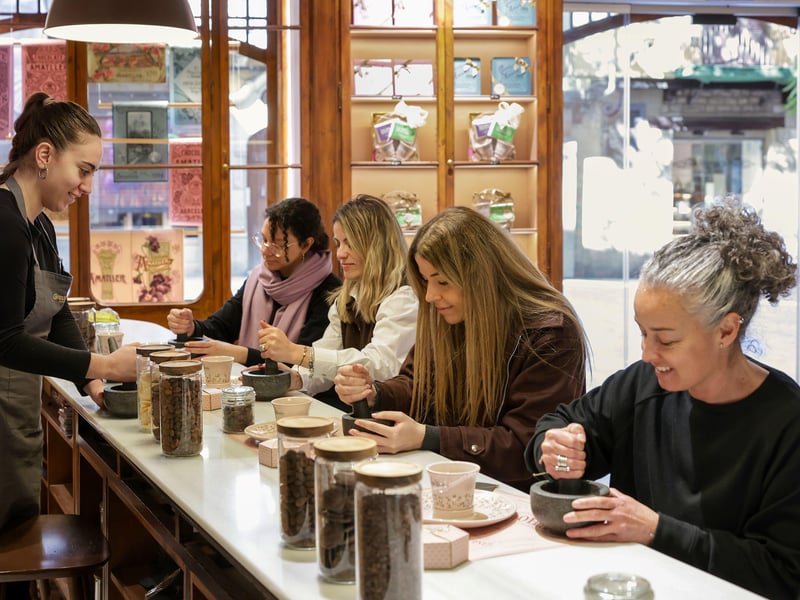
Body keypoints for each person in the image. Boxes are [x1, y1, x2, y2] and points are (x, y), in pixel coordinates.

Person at [525, 199, 800, 599]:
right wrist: (556, 451)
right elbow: (561, 425)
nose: (647, 354)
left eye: (666, 340)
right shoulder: (644, 385)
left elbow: (783, 573)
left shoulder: (787, 423)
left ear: (726, 331)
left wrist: (656, 530)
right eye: (643, 333)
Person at [334, 207, 588, 491]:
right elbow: (418, 384)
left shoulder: (550, 334)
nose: (430, 296)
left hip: (518, 495)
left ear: (482, 275)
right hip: (451, 480)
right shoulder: (448, 316)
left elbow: (526, 445)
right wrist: (376, 394)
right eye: (426, 281)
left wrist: (428, 437)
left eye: (442, 281)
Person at [0, 93, 138, 531]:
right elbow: (6, 341)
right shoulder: (5, 224)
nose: (88, 187)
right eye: (84, 170)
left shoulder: (38, 224)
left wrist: (93, 384)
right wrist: (107, 365)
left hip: (16, 406)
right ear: (45, 155)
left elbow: (56, 312)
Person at [257, 194, 417, 410]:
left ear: (376, 245)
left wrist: (296, 353)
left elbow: (379, 365)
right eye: (338, 243)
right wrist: (293, 378)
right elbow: (326, 357)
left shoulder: (404, 297)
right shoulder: (347, 299)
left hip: (396, 418)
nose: (340, 253)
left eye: (350, 243)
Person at [167, 197, 341, 366]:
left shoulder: (330, 291)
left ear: (306, 245)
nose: (265, 251)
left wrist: (238, 353)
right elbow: (221, 327)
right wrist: (191, 327)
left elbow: (307, 363)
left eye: (277, 245)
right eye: (264, 240)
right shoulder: (260, 278)